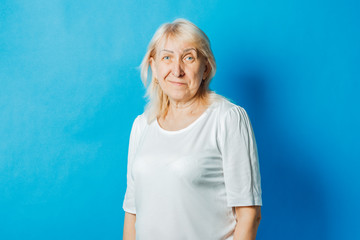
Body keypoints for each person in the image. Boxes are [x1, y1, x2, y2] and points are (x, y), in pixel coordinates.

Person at [122, 18, 262, 240]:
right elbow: (132, 212)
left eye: (188, 57)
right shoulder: (142, 125)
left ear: (205, 68)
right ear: (154, 67)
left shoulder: (227, 119)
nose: (177, 70)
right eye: (167, 57)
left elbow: (249, 214)